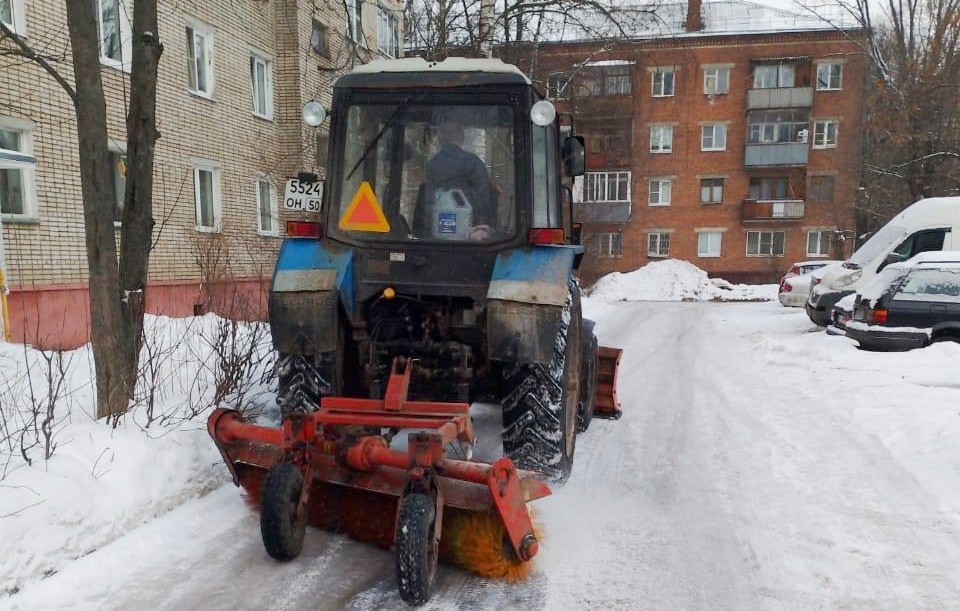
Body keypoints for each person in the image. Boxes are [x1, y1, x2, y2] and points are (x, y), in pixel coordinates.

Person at [422, 120, 495, 240]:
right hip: (470, 239)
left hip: (433, 238)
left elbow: (427, 203)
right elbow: (483, 200)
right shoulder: (473, 163)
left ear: (439, 138)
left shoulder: (432, 165)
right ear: (462, 136)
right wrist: (483, 229)